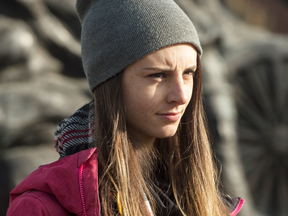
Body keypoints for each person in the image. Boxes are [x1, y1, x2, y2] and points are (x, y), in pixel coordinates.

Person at [7, 0, 244, 215]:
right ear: (109, 81)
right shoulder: (42, 208)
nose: (181, 96)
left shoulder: (206, 202)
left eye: (189, 73)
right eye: (158, 75)